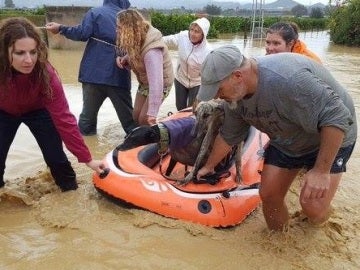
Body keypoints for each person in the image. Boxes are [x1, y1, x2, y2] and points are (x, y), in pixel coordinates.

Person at [195, 45, 357, 231]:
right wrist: (208, 166)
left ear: (238, 76)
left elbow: (337, 117)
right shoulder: (234, 99)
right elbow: (229, 136)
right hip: (288, 139)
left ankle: (324, 231)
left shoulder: (288, 79)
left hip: (331, 135)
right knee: (269, 194)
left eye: (218, 89)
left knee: (313, 206)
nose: (217, 96)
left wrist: (321, 171)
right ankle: (280, 244)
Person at [0, 17, 105, 192]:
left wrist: (88, 159)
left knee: (56, 158)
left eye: (33, 52)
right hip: (3, 112)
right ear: (4, 51)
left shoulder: (46, 75)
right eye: (20, 53)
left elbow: (64, 119)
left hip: (38, 110)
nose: (29, 60)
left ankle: (70, 194)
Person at [45, 0, 137, 135]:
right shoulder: (130, 17)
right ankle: (143, 150)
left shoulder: (95, 13)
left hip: (93, 75)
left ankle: (87, 152)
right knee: (130, 122)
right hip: (118, 75)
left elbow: (82, 33)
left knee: (87, 121)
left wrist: (60, 28)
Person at [115, 9, 174, 126]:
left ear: (129, 29)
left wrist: (152, 113)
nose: (117, 30)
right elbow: (138, 51)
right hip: (145, 82)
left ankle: (156, 141)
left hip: (161, 84)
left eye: (119, 27)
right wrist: (126, 59)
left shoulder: (152, 52)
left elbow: (157, 84)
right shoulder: (136, 37)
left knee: (145, 119)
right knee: (136, 116)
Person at [163, 17, 212, 111]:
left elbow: (210, 74)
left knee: (192, 109)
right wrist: (152, 40)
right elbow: (167, 40)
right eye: (192, 30)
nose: (192, 34)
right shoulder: (183, 37)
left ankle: (191, 124)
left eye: (197, 31)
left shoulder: (208, 51)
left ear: (203, 34)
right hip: (180, 79)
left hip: (197, 82)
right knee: (180, 107)